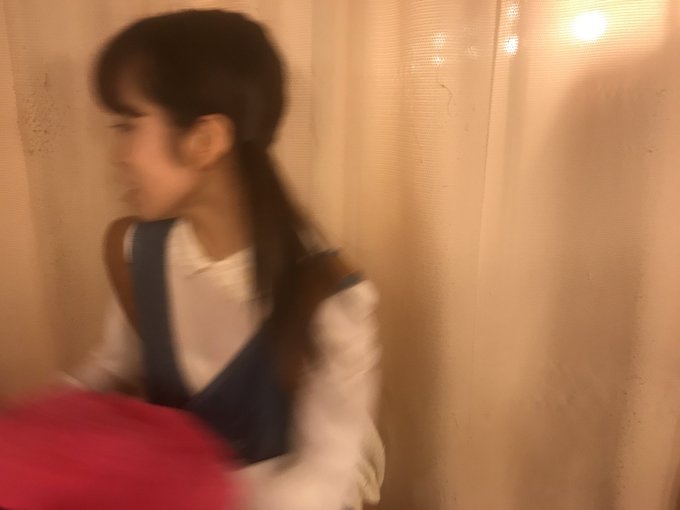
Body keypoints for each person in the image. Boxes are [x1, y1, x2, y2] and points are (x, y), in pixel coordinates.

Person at [62, 9, 384, 510]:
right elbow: (114, 365)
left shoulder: (327, 296)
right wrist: (35, 425)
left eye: (128, 126)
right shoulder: (137, 253)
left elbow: (326, 478)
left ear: (205, 141)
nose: (116, 155)